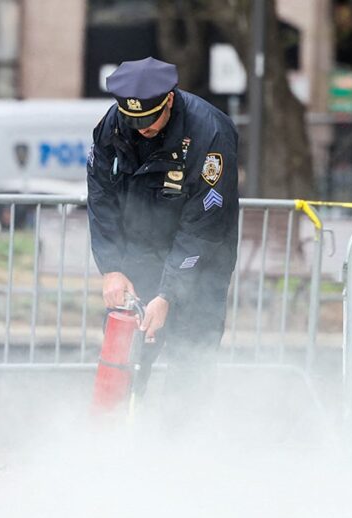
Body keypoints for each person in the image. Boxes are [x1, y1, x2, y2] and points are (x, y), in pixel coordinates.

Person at [87, 57, 239, 397]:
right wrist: (111, 267)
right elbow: (101, 197)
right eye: (134, 118)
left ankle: (179, 442)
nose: (143, 128)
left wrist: (168, 294)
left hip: (201, 263)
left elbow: (204, 225)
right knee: (124, 358)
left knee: (191, 364)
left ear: (169, 99)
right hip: (140, 256)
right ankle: (115, 439)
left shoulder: (210, 133)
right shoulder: (113, 125)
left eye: (150, 118)